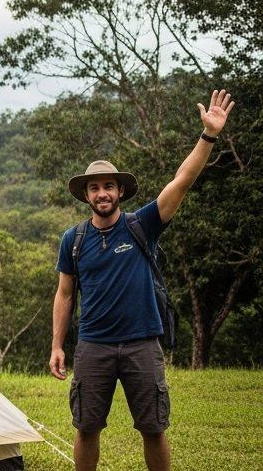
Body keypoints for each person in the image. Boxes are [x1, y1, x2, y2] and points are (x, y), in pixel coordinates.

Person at [49, 90, 235, 471]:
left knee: (153, 429)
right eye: (95, 187)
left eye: (108, 186)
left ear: (120, 191)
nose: (102, 193)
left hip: (142, 344)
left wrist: (209, 135)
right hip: (93, 346)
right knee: (86, 428)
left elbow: (181, 181)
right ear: (86, 195)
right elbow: (65, 294)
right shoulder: (74, 239)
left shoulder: (143, 225)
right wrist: (56, 345)